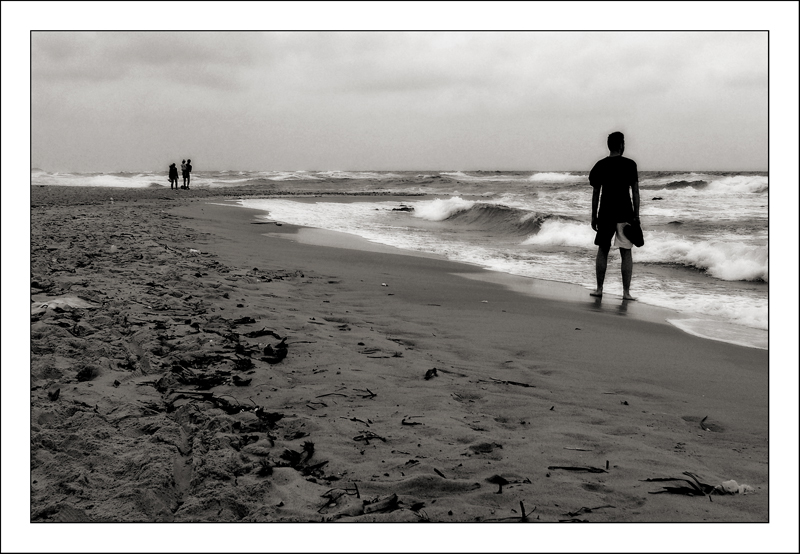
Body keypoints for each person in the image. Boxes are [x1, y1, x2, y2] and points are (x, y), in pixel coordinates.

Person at [589, 131, 640, 300]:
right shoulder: (630, 165)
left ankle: (599, 289)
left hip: (605, 213)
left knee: (603, 250)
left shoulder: (600, 165)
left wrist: (594, 215)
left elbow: (596, 192)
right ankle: (626, 293)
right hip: (625, 213)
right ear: (621, 145)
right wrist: (636, 216)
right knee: (626, 252)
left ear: (609, 145)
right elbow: (635, 192)